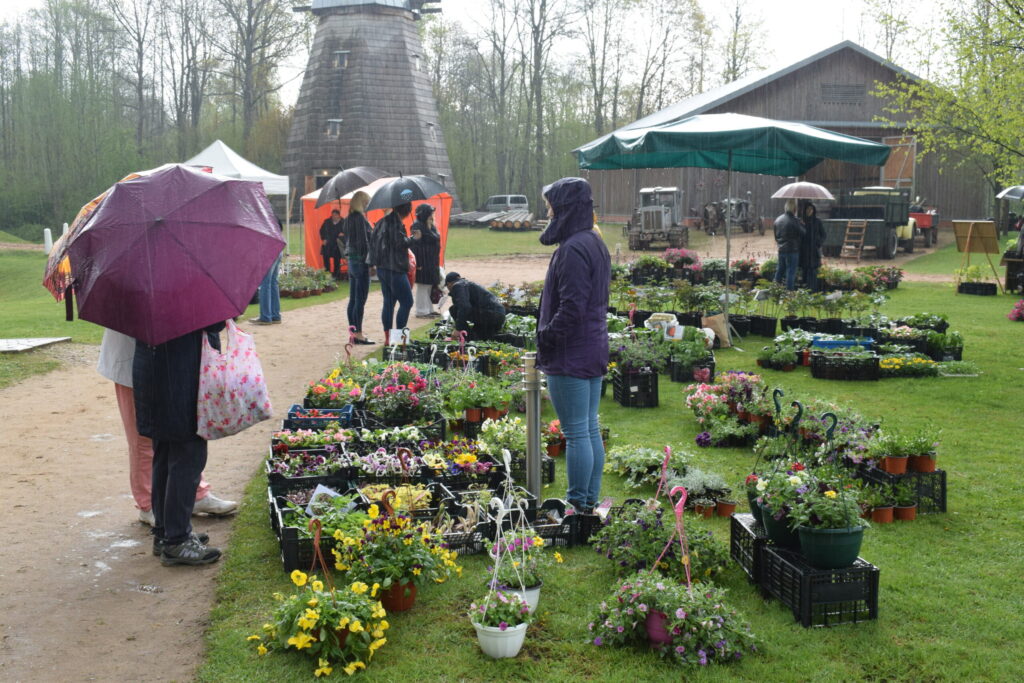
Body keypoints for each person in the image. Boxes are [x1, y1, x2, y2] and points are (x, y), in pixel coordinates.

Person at [97, 329, 237, 528]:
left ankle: (195, 493)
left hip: (171, 360)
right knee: (143, 438)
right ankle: (148, 503)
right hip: (133, 361)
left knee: (180, 430)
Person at [535, 177, 610, 515]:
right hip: (591, 348)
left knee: (578, 433)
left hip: (571, 353)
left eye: (551, 206)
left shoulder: (573, 249)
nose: (548, 213)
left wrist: (546, 337)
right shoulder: (593, 241)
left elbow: (572, 307)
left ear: (565, 208)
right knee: (588, 428)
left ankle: (577, 505)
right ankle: (588, 503)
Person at [133, 323, 227, 565]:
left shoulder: (148, 300)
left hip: (155, 369)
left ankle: (166, 532)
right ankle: (177, 540)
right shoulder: (187, 298)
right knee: (188, 455)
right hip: (182, 373)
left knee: (165, 453)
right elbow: (215, 322)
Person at [371, 201, 414, 342]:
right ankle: (400, 339)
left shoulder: (381, 222)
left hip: (383, 268)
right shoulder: (395, 223)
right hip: (395, 268)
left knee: (388, 303)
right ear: (406, 211)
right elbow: (399, 243)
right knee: (407, 302)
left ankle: (388, 338)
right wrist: (413, 238)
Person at [343, 191, 375, 344]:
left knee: (353, 299)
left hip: (352, 261)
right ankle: (359, 333)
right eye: (366, 203)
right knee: (360, 300)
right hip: (361, 261)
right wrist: (371, 263)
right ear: (361, 203)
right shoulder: (360, 219)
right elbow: (364, 243)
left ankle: (353, 332)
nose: (368, 205)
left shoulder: (348, 218)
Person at [444, 272, 506, 340]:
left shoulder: (458, 285)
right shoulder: (468, 284)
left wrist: (458, 328)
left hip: (489, 315)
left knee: (454, 309)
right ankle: (509, 338)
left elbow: (464, 307)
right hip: (498, 316)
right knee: (482, 338)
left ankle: (466, 337)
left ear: (449, 283)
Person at [410, 203, 442, 318]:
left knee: (429, 285)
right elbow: (414, 246)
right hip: (423, 262)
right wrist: (417, 263)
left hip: (431, 261)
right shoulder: (417, 226)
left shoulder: (429, 226)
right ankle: (421, 311)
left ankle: (428, 309)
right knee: (423, 286)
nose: (432, 216)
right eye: (430, 213)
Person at [250, 217, 284, 324]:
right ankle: (275, 315)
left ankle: (265, 317)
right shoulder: (272, 217)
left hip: (269, 251)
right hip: (278, 247)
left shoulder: (264, 219)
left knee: (265, 285)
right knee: (273, 284)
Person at [773, 199, 805, 290]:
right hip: (792, 250)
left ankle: (774, 289)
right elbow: (803, 233)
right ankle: (789, 292)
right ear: (794, 209)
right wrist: (802, 224)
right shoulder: (795, 220)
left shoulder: (778, 220)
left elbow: (776, 236)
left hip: (781, 250)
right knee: (791, 272)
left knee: (780, 270)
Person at [798, 201, 826, 292]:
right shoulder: (801, 221)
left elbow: (823, 235)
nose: (809, 211)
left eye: (811, 209)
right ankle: (805, 290)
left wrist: (818, 243)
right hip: (804, 251)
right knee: (805, 270)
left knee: (814, 271)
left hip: (814, 251)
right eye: (808, 209)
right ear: (805, 210)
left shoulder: (817, 221)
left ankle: (814, 290)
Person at [319, 209, 345, 280]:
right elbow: (321, 231)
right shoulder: (327, 222)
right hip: (328, 243)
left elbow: (348, 232)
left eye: (335, 215)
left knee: (337, 260)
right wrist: (323, 238)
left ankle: (336, 275)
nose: (334, 217)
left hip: (338, 244)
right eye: (333, 215)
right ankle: (327, 274)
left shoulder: (344, 222)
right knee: (326, 259)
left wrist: (343, 234)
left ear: (339, 215)